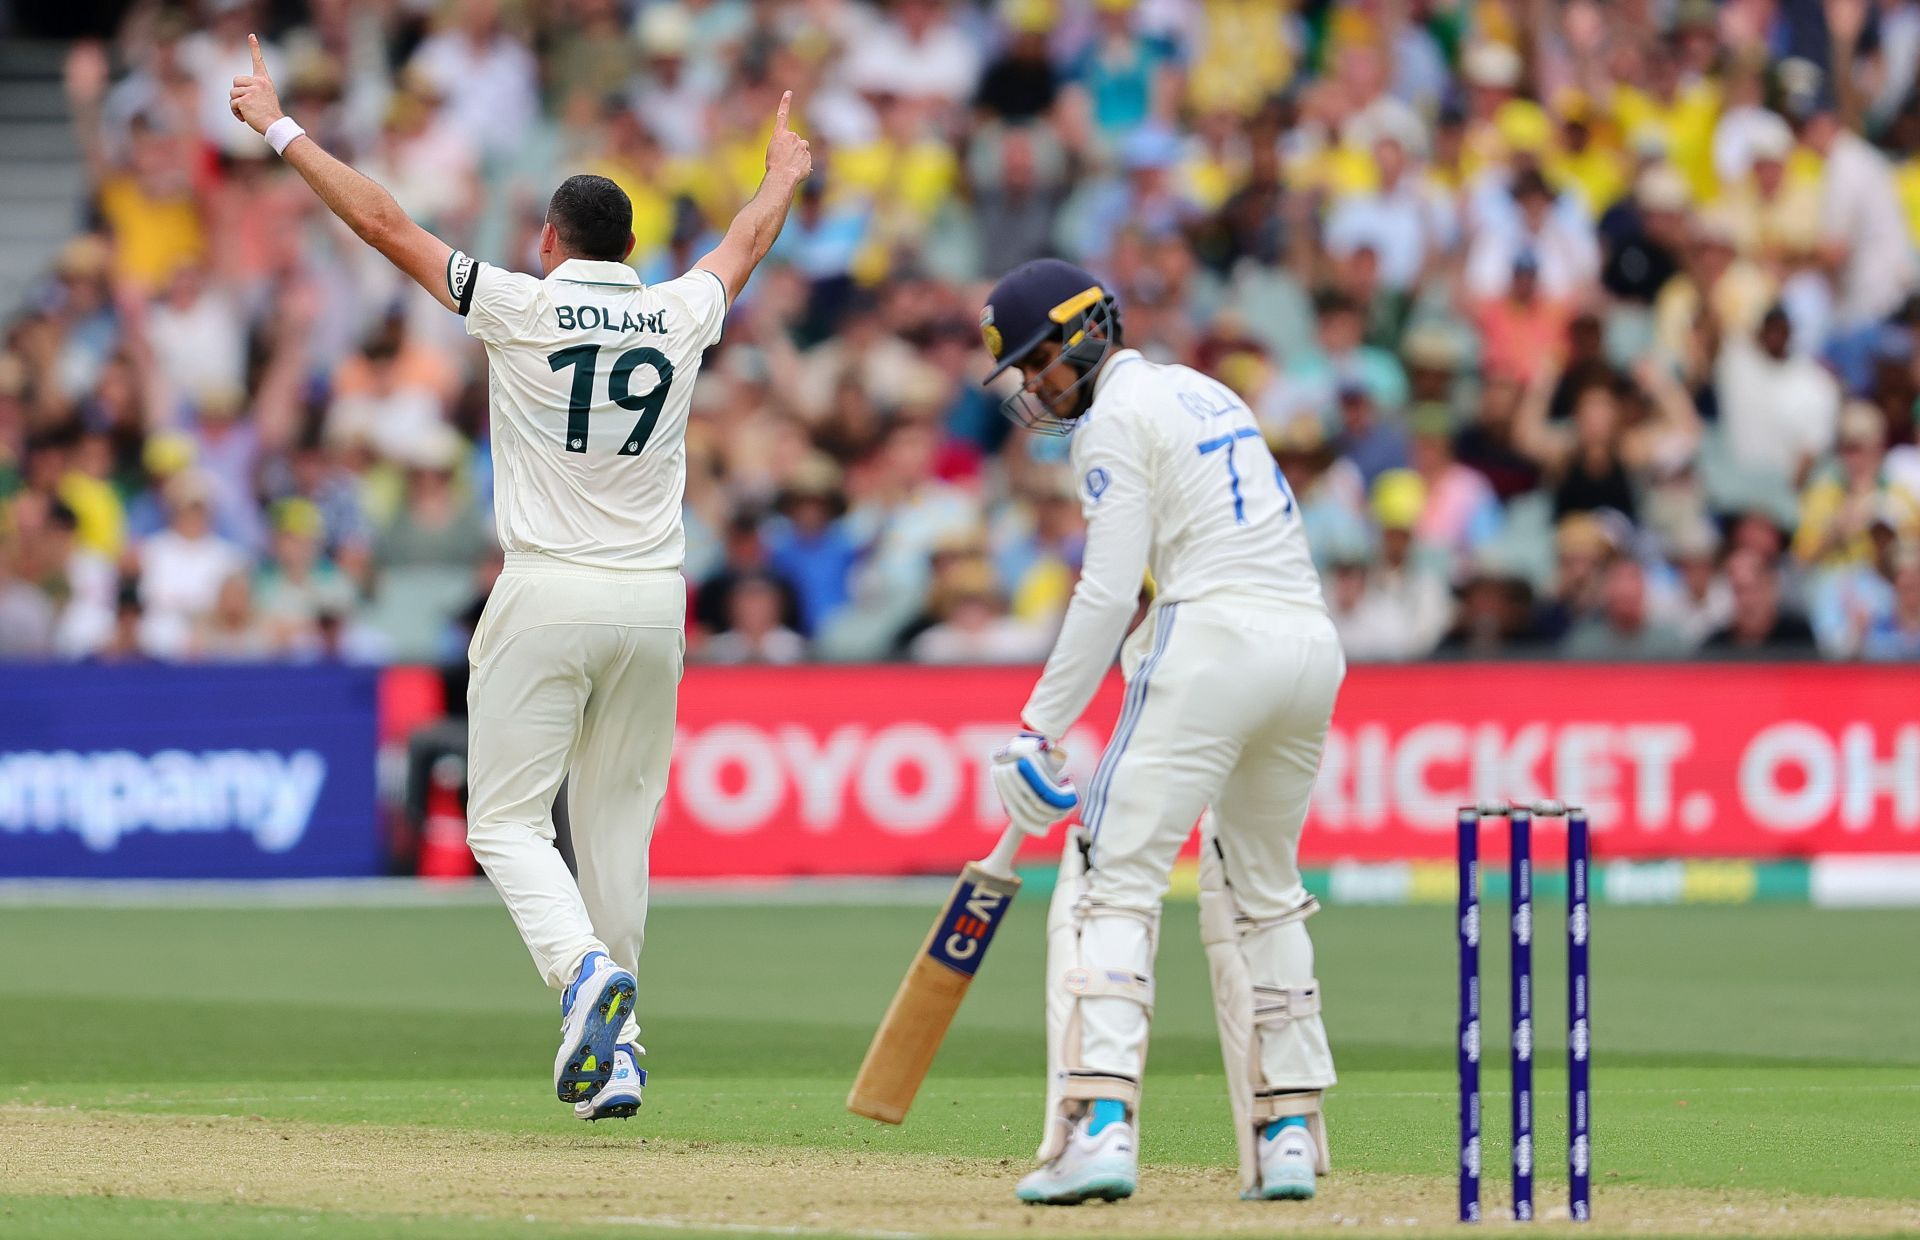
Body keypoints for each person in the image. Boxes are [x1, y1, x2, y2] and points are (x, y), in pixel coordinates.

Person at [229, 39, 812, 1118]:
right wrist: (781, 175)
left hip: (547, 587)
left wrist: (277, 124)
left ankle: (584, 977)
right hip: (653, 599)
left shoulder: (520, 302)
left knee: (502, 822)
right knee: (618, 828)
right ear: (631, 245)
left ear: (550, 240)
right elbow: (742, 244)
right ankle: (621, 1049)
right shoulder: (680, 311)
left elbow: (383, 224)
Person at [977, 259, 1342, 1206]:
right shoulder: (1205, 392)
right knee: (1263, 890)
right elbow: (1189, 554)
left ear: (1086, 334)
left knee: (1109, 875)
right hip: (1308, 648)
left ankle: (1099, 1125)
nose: (1035, 386)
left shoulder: (1107, 425)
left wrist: (1036, 728)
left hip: (1213, 640)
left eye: (1039, 361)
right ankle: (1290, 1130)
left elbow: (1106, 586)